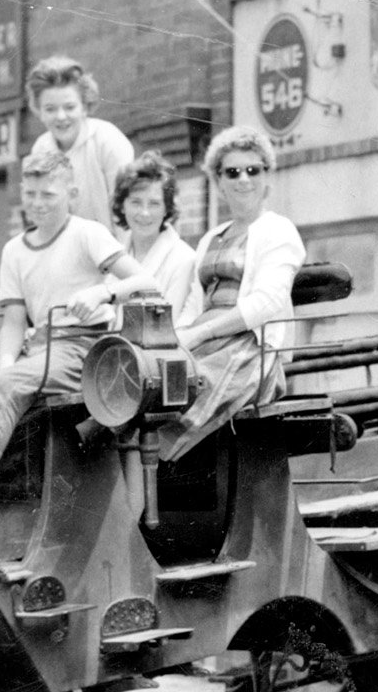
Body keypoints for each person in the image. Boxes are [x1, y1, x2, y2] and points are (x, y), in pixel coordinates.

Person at [0, 150, 160, 525]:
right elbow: (14, 321)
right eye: (31, 194)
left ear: (71, 193)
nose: (38, 204)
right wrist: (5, 364)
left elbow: (147, 281)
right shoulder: (15, 250)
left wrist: (103, 293)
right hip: (34, 350)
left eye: (48, 196)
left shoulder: (87, 234)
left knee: (7, 382)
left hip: (83, 349)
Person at [156, 126, 305, 461]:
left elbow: (264, 304)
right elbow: (195, 300)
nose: (243, 179)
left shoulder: (278, 230)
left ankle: (151, 470)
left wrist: (200, 334)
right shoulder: (211, 237)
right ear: (218, 182)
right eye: (232, 172)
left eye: (254, 170)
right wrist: (179, 335)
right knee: (154, 383)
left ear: (268, 178)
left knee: (185, 396)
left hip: (251, 348)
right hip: (204, 343)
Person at [27, 55, 134, 230]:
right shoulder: (41, 149)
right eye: (50, 109)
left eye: (69, 107)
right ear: (39, 111)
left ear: (84, 106)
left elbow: (126, 212)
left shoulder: (108, 140)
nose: (61, 117)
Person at [111, 151, 196, 319]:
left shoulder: (184, 260)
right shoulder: (114, 255)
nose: (144, 213)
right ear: (122, 205)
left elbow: (169, 325)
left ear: (167, 208)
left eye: (154, 203)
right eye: (136, 202)